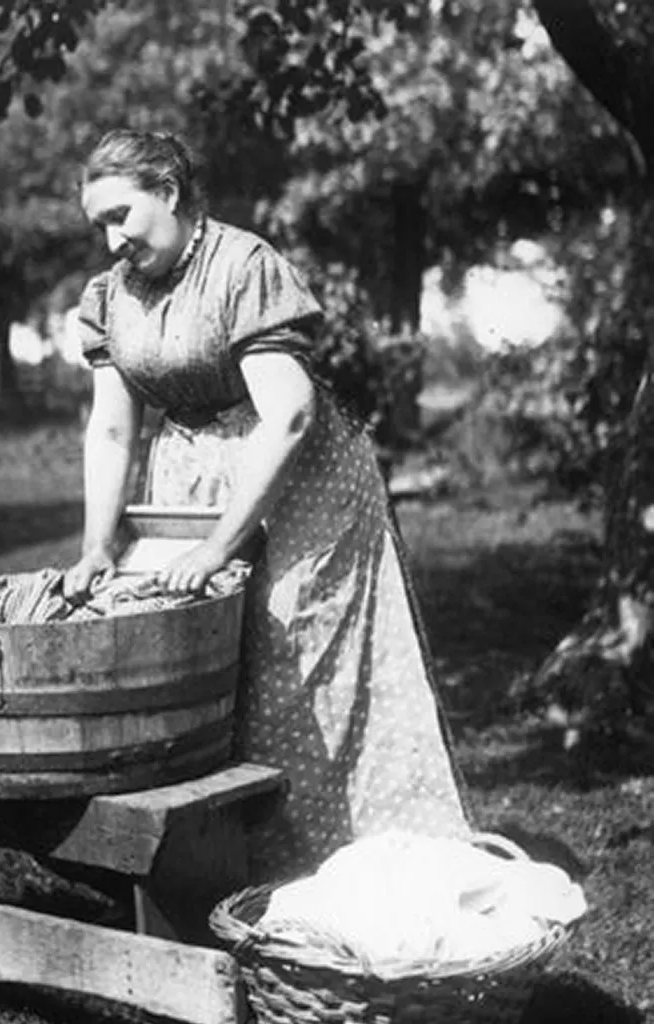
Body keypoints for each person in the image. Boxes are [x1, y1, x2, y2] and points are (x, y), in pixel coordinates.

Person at [67, 128, 472, 879]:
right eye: (100, 227)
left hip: (299, 480)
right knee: (211, 667)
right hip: (192, 477)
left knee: (299, 669)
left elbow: (288, 413)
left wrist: (220, 545)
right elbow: (114, 428)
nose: (114, 240)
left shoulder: (243, 267)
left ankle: (348, 872)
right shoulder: (108, 299)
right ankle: (228, 874)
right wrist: (99, 545)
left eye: (125, 215)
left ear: (172, 193)